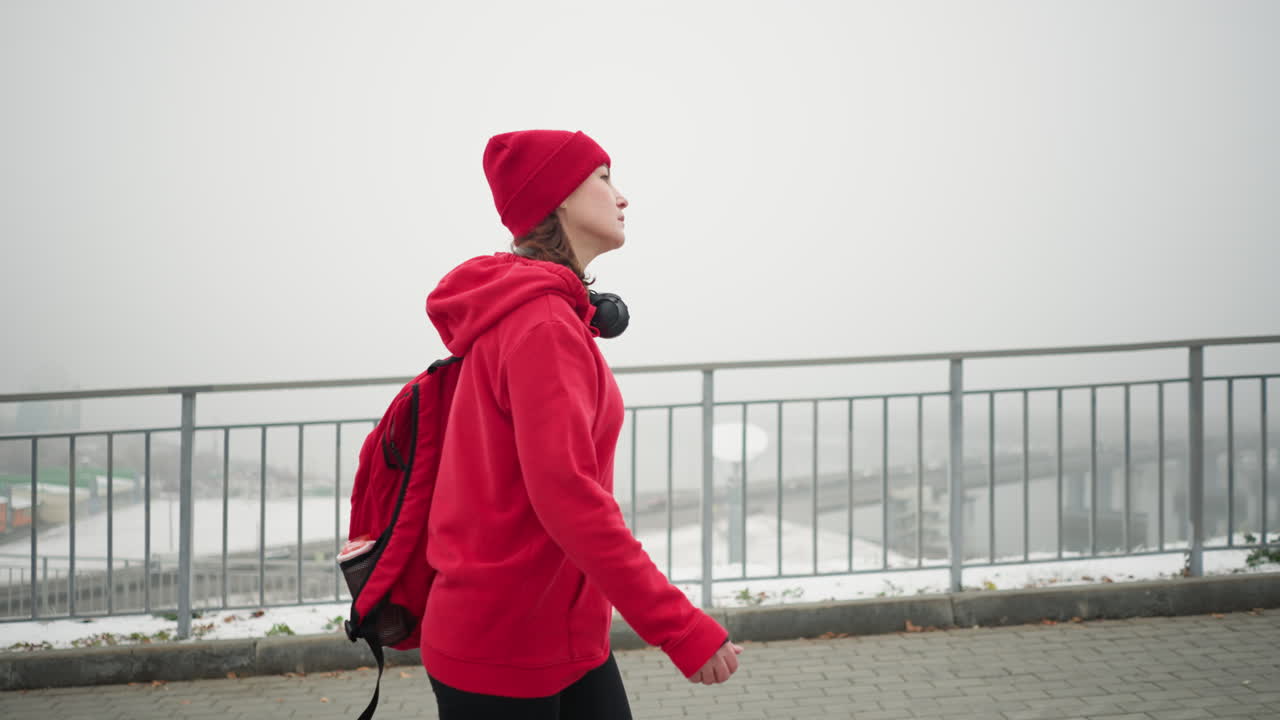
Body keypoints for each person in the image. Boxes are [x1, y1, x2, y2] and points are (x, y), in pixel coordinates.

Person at [420, 129, 744, 719]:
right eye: (603, 177)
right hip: (505, 647)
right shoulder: (543, 325)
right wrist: (679, 627)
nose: (622, 196)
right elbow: (569, 496)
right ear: (560, 198)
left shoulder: (543, 314)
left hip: (560, 636)